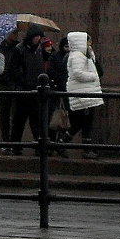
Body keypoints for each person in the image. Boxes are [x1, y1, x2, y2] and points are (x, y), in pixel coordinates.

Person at [5, 24, 47, 154]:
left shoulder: (39, 50)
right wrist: (23, 80)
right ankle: (16, 146)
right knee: (19, 120)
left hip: (36, 90)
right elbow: (12, 70)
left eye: (39, 37)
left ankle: (39, 146)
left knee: (36, 121)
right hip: (23, 91)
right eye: (36, 36)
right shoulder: (19, 50)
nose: (38, 39)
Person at [64, 31, 104, 159]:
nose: (90, 43)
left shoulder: (85, 55)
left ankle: (66, 144)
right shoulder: (77, 56)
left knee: (85, 122)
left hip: (87, 92)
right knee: (82, 122)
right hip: (81, 93)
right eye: (88, 41)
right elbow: (78, 73)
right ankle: (66, 144)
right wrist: (93, 76)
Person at [0, 32, 19, 151]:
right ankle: (6, 141)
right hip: (2, 85)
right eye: (13, 33)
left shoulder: (18, 47)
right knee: (4, 115)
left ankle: (13, 142)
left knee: (15, 115)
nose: (15, 35)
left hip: (14, 84)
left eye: (16, 33)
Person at [45, 36, 70, 150]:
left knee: (64, 120)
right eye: (66, 46)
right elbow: (50, 71)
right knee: (53, 119)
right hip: (55, 91)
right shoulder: (55, 56)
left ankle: (61, 146)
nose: (68, 48)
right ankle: (50, 144)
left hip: (67, 91)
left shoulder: (72, 57)